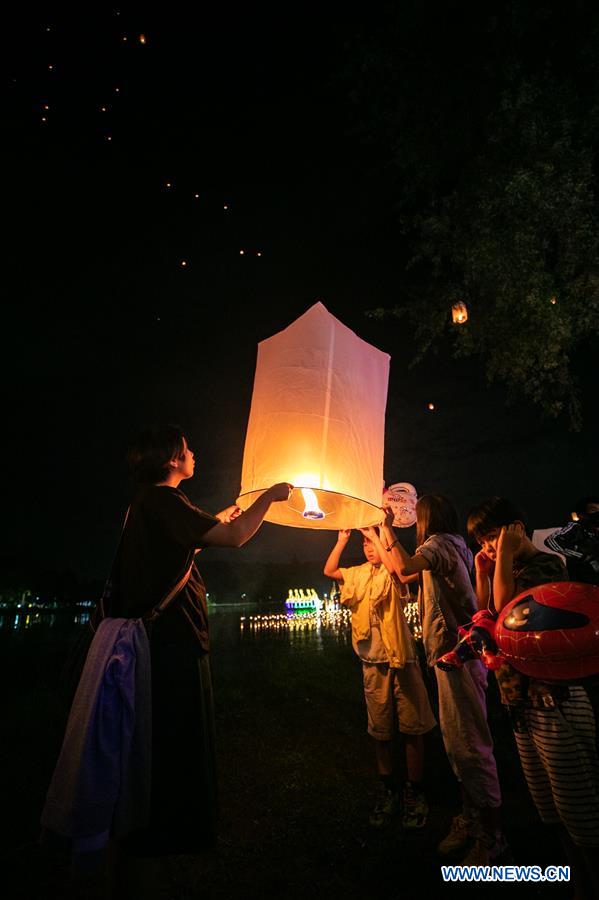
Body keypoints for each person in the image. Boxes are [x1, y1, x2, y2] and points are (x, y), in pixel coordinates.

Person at [44, 424, 292, 897]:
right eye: (187, 449)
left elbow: (194, 540)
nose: (193, 453)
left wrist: (226, 512)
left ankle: (129, 852)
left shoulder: (148, 504)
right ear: (171, 459)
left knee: (138, 751)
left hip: (154, 647)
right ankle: (147, 854)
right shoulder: (164, 501)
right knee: (161, 754)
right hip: (168, 651)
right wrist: (272, 497)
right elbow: (237, 537)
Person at [467, 496, 599, 899]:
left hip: (553, 700)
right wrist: (482, 572)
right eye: (484, 543)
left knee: (579, 805)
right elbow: (486, 616)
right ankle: (576, 876)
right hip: (521, 701)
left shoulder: (545, 565)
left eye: (495, 538)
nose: (490, 548)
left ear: (518, 529)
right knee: (549, 803)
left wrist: (501, 560)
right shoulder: (510, 568)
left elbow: (508, 612)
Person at [380, 496, 506, 865]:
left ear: (425, 519)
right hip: (456, 657)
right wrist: (375, 529)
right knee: (458, 744)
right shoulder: (454, 547)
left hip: (460, 658)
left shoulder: (438, 545)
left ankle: (493, 836)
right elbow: (403, 574)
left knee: (470, 745)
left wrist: (384, 525)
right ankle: (471, 817)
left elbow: (404, 564)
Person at [324, 524, 436, 830]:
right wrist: (341, 541)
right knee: (380, 729)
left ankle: (415, 792)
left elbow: (402, 575)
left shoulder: (391, 568)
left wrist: (379, 538)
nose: (369, 548)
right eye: (364, 545)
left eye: (372, 543)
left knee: (414, 726)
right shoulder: (357, 573)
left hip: (402, 658)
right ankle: (388, 789)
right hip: (372, 662)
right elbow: (330, 570)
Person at [544, 495, 599, 585]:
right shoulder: (575, 527)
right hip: (579, 584)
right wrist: (582, 555)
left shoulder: (595, 531)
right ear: (583, 513)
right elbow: (551, 540)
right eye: (593, 510)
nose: (597, 513)